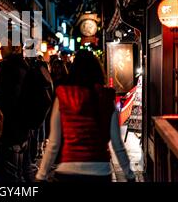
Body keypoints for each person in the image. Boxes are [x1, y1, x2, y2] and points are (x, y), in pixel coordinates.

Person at [36, 49, 136, 182]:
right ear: (97, 71)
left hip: (69, 169)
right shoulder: (106, 97)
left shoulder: (63, 95)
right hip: (100, 170)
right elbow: (117, 143)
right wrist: (129, 174)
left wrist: (41, 174)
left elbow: (54, 143)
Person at [0, 37, 30, 182]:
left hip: (9, 129)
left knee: (7, 174)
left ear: (16, 48)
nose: (0, 48)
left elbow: (7, 100)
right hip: (22, 130)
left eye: (5, 45)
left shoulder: (9, 67)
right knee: (17, 172)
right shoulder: (24, 66)